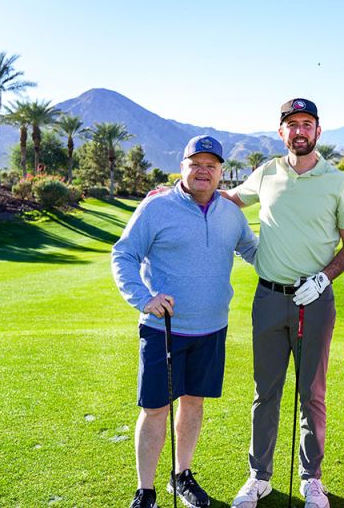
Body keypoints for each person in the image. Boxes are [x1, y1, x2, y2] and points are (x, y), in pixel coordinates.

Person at [222, 98, 344, 508]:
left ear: (318, 130)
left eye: (307, 123)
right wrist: (181, 189)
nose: (299, 131)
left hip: (314, 301)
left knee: (311, 392)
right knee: (265, 392)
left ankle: (311, 478)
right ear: (281, 131)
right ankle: (258, 477)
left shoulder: (338, 181)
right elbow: (230, 198)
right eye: (292, 124)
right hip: (268, 298)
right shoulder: (266, 172)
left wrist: (323, 279)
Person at [112, 135, 258, 508]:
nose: (203, 171)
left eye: (211, 165)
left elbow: (253, 250)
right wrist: (144, 299)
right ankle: (146, 491)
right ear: (183, 168)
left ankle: (182, 475)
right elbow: (124, 254)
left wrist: (295, 265)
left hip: (212, 329)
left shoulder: (230, 213)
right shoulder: (157, 208)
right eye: (196, 164)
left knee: (193, 404)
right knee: (155, 409)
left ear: (221, 172)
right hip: (164, 330)